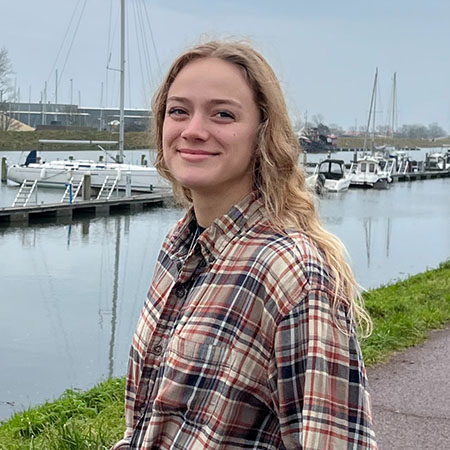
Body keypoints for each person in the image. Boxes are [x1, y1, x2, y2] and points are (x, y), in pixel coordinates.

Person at [112, 40, 377, 450]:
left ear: (263, 133)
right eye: (179, 110)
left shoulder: (291, 273)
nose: (194, 130)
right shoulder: (179, 245)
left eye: (223, 114)